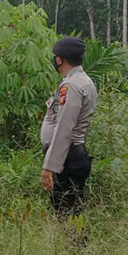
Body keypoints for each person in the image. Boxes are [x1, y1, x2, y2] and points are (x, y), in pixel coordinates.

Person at [40, 37, 98, 218]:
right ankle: (74, 243)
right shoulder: (84, 80)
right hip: (73, 154)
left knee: (65, 210)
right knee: (72, 207)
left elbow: (64, 128)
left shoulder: (71, 85)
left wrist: (50, 167)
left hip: (67, 158)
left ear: (59, 59)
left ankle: (72, 245)